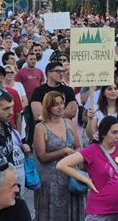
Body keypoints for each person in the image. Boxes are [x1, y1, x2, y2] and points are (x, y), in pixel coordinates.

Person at [57, 116, 118, 221]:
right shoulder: (92, 150)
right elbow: (61, 165)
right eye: (114, 132)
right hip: (99, 211)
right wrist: (86, 180)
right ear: (103, 133)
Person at [33, 91, 84, 221]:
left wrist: (76, 155)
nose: (60, 107)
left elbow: (78, 145)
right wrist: (64, 151)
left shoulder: (68, 123)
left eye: (62, 103)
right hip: (50, 179)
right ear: (48, 107)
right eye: (56, 104)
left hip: (70, 175)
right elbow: (41, 157)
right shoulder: (41, 127)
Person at [28, 61, 78, 146]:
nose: (61, 74)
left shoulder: (68, 90)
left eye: (63, 71)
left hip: (64, 133)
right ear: (49, 73)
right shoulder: (38, 91)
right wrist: (61, 113)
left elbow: (72, 112)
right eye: (58, 71)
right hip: (43, 134)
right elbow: (37, 115)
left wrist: (47, 112)